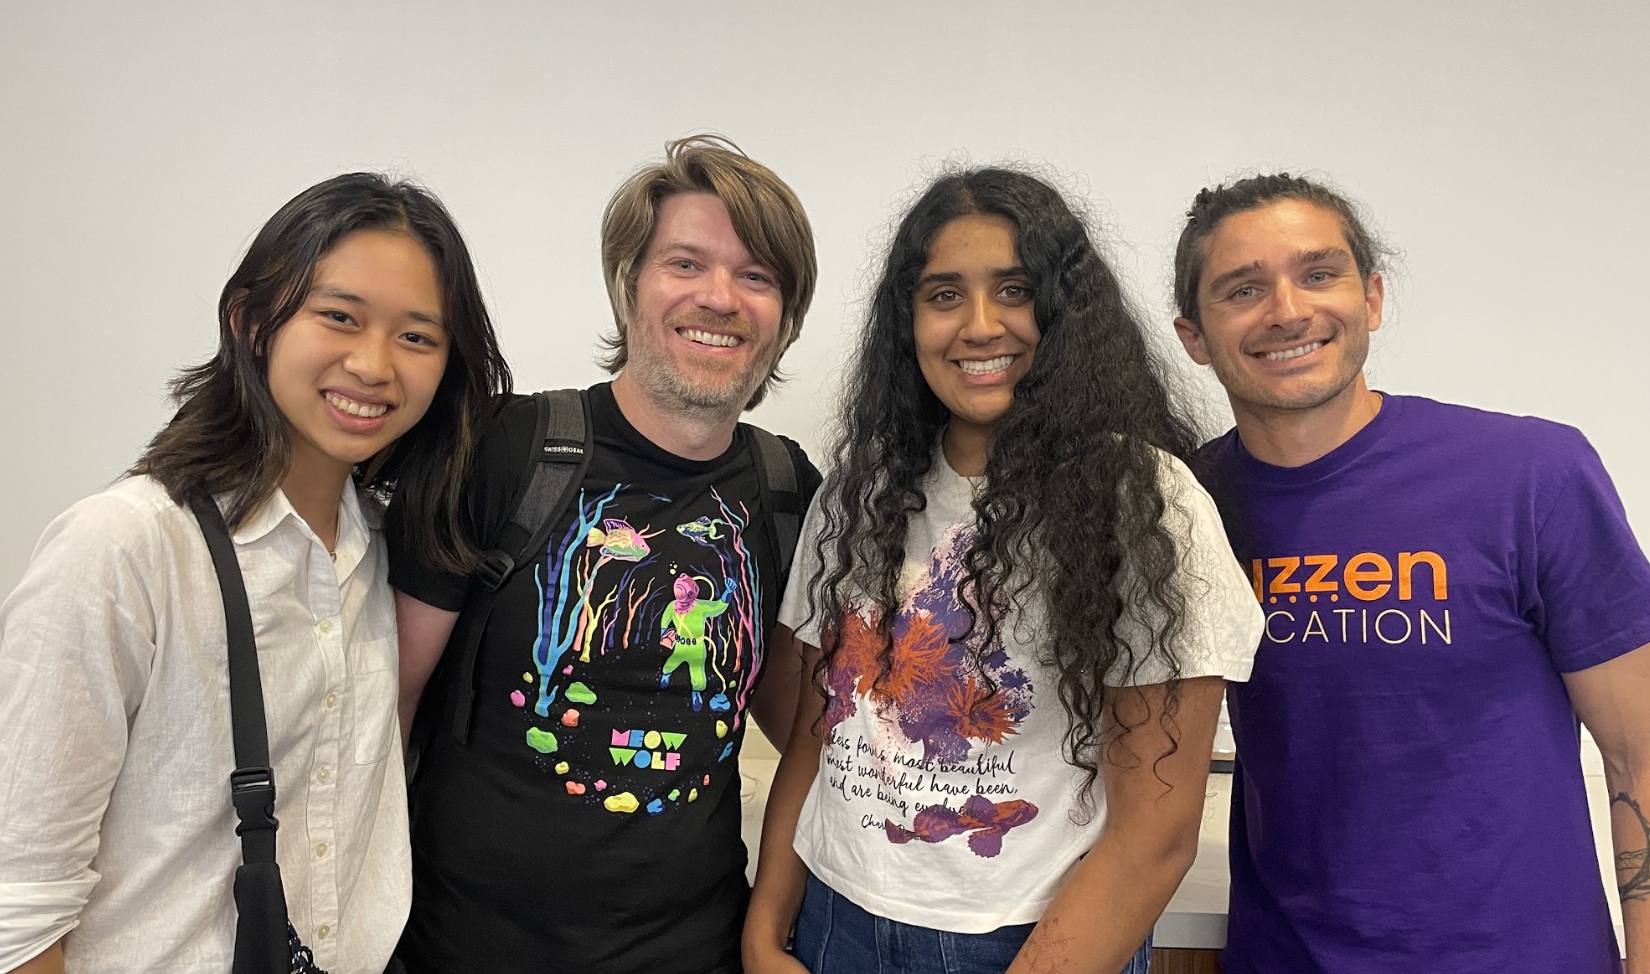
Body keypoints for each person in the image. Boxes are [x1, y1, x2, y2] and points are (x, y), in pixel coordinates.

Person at [742, 167, 1265, 974]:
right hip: (832, 920)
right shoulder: (863, 491)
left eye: (1015, 289)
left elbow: (1152, 843)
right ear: (907, 323)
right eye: (944, 295)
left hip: (1027, 942)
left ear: (1064, 314)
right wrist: (764, 929)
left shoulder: (1145, 501)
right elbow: (821, 729)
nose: (980, 325)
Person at [0, 173, 511, 974]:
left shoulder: (392, 552)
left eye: (417, 337)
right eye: (339, 317)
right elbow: (19, 903)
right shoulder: (125, 548)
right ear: (251, 321)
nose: (375, 364)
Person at [1172, 173, 1650, 974]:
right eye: (1243, 289)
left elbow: (1639, 754)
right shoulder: (1183, 509)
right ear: (1194, 336)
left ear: (1372, 297)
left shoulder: (1530, 474)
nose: (1288, 310)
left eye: (1318, 273)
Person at [387, 134, 822, 974]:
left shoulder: (785, 487)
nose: (720, 297)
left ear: (785, 317)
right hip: (466, 952)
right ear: (629, 286)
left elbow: (806, 724)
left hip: (697, 951)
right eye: (685, 263)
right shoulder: (501, 450)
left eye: (757, 276)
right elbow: (383, 713)